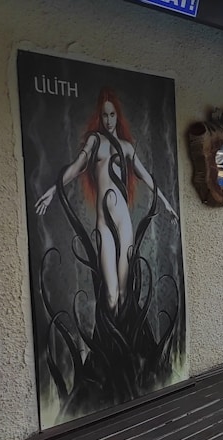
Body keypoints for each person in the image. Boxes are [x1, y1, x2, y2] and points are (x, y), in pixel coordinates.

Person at [34, 86, 177, 313]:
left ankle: (123, 347)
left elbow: (147, 177)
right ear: (99, 117)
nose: (109, 120)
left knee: (123, 292)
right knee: (110, 294)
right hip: (104, 224)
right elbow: (75, 168)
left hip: (123, 222)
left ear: (117, 116)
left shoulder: (128, 148)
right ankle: (109, 342)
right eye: (104, 115)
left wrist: (167, 203)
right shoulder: (94, 141)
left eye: (112, 114)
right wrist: (53, 191)